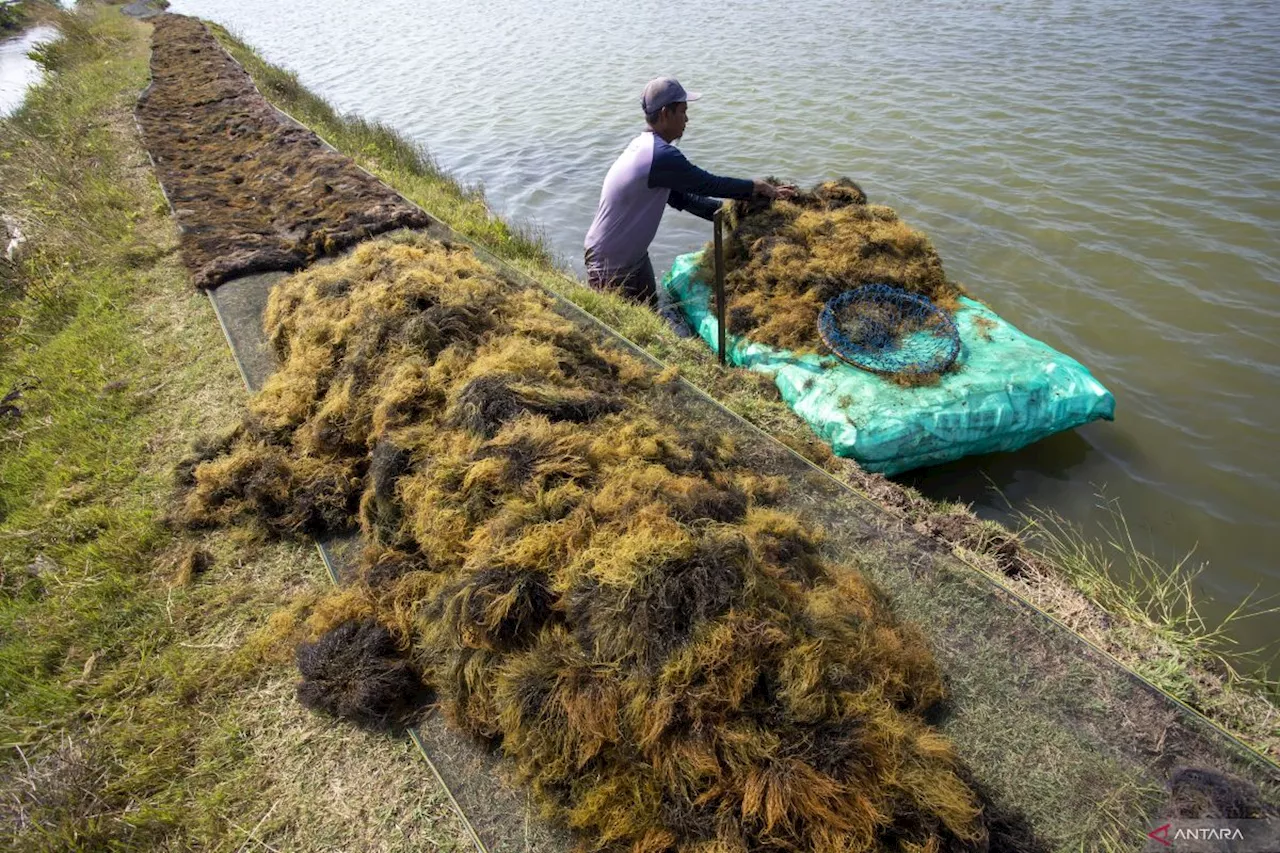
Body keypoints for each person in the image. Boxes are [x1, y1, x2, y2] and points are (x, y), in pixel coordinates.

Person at [584, 76, 794, 308]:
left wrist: (733, 215)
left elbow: (682, 198)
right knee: (628, 332)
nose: (687, 119)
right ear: (665, 113)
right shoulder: (660, 155)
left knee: (652, 314)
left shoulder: (646, 148)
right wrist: (757, 187)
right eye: (683, 112)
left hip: (631, 256)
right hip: (611, 264)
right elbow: (708, 183)